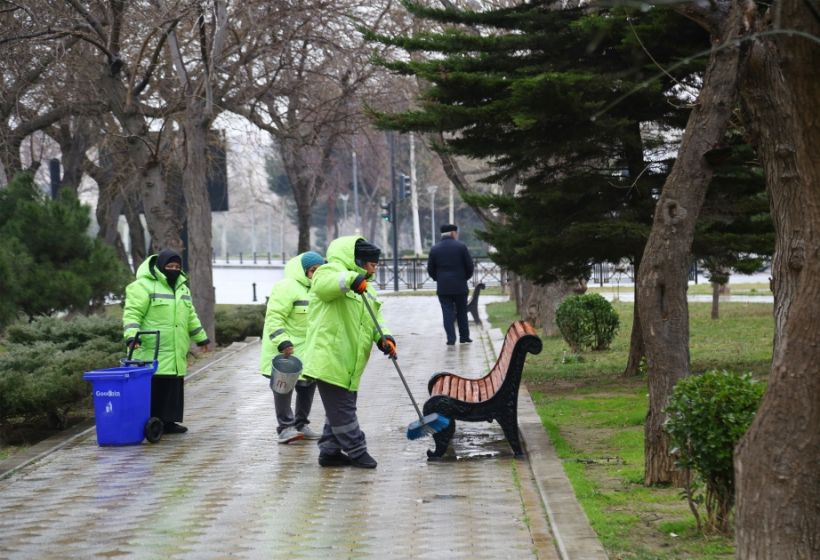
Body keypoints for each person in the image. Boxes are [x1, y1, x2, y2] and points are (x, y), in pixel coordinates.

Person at [302, 236, 396, 469]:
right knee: (343, 409)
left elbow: (375, 318)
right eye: (372, 265)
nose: (375, 269)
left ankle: (330, 451)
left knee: (340, 406)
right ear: (360, 262)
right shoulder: (328, 271)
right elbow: (325, 287)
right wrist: (353, 279)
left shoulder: (367, 287)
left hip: (349, 359)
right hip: (329, 356)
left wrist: (384, 337)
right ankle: (356, 449)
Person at [122, 249, 211, 434]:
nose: (174, 269)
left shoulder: (182, 288)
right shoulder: (143, 286)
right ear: (160, 267)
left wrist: (201, 339)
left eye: (177, 267)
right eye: (170, 266)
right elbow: (132, 314)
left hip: (175, 348)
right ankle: (153, 424)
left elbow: (191, 317)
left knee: (173, 385)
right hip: (151, 348)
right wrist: (131, 337)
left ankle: (169, 422)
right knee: (156, 386)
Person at [260, 251, 325, 444]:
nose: (317, 274)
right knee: (283, 388)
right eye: (314, 270)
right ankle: (285, 427)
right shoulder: (286, 287)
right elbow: (274, 317)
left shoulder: (319, 290)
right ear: (304, 270)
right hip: (286, 350)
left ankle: (301, 424)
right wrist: (283, 342)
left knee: (307, 386)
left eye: (321, 271)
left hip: (310, 349)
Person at [427, 223, 475, 345]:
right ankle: (464, 337)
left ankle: (451, 339)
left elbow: (430, 269)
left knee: (447, 313)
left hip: (443, 287)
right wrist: (465, 277)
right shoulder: (461, 246)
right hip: (460, 286)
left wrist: (438, 279)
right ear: (453, 233)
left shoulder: (435, 249)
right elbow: (469, 266)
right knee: (462, 312)